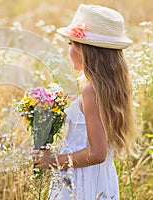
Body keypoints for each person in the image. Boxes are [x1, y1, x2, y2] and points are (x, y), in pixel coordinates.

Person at [31, 4, 137, 200]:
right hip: (98, 177)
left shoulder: (91, 91)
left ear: (86, 50)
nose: (68, 49)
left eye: (71, 43)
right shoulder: (106, 87)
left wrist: (52, 161)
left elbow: (97, 152)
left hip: (82, 180)